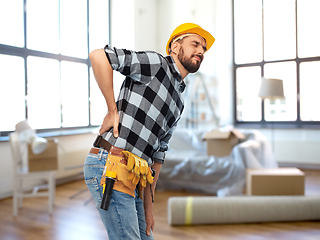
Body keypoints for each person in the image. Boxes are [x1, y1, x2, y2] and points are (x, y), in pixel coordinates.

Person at [83, 23, 215, 240]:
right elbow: (99, 56)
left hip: (135, 176)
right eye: (195, 44)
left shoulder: (179, 101)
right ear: (175, 46)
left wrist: (149, 208)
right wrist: (111, 110)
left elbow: (158, 155)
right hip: (109, 166)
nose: (201, 51)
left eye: (204, 48)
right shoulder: (156, 64)